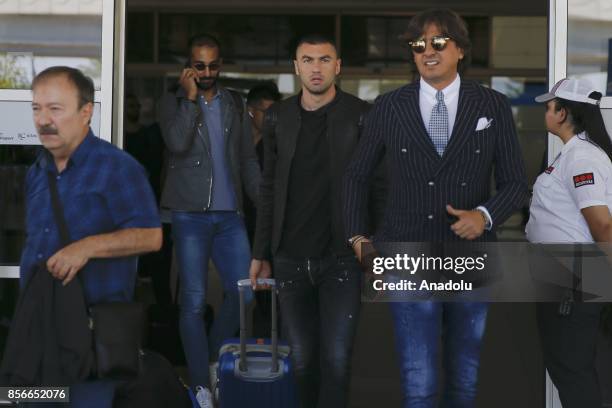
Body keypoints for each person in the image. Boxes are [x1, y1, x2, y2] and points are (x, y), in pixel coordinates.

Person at [343, 9, 528, 408]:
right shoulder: (389, 106)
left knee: (464, 382)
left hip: (470, 259)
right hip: (407, 254)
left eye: (439, 42)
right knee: (419, 384)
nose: (428, 51)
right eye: (418, 45)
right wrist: (358, 237)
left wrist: (485, 216)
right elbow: (356, 175)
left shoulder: (492, 105)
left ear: (460, 50)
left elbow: (516, 183)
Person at [249, 34, 380, 408]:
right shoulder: (279, 117)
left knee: (336, 362)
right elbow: (269, 188)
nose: (316, 68)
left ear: (337, 66)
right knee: (303, 362)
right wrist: (261, 251)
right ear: (296, 67)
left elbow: (379, 185)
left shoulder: (361, 115)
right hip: (290, 257)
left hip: (342, 258)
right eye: (307, 60)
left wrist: (375, 246)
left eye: (324, 60)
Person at [21, 66, 162, 406]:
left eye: (55, 109)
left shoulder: (118, 167)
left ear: (87, 112)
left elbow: (151, 237)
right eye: (36, 109)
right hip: (38, 331)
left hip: (91, 336)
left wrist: (87, 247)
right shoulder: (36, 171)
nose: (43, 120)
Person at [158, 33, 260, 408]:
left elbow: (248, 159)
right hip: (190, 215)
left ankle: (213, 358)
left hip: (230, 216)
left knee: (244, 293)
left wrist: (262, 203)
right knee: (194, 301)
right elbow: (177, 143)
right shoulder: (170, 102)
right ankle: (201, 384)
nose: (207, 72)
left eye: (213, 65)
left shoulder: (234, 102)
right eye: (199, 65)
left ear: (221, 64)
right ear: (188, 66)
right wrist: (188, 99)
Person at [527, 77, 612, 408]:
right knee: (567, 366)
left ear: (562, 113)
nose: (546, 113)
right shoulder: (574, 154)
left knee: (572, 369)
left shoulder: (581, 158)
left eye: (549, 107)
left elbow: (602, 225)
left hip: (573, 276)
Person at [124, 93, 173, 306]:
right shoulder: (115, 136)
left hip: (151, 205)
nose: (135, 107)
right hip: (123, 208)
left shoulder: (150, 136)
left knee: (155, 265)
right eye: (130, 104)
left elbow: (159, 168)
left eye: (136, 103)